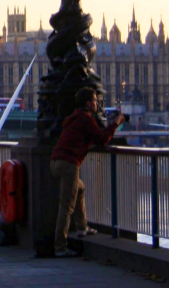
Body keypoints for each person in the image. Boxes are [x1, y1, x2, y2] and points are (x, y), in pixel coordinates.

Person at [50, 87, 124, 257]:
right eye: (95, 100)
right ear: (88, 103)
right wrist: (115, 124)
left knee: (80, 188)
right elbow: (102, 139)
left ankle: (82, 227)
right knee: (66, 206)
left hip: (55, 162)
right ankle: (60, 248)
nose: (97, 103)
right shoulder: (86, 119)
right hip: (69, 163)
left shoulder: (75, 117)